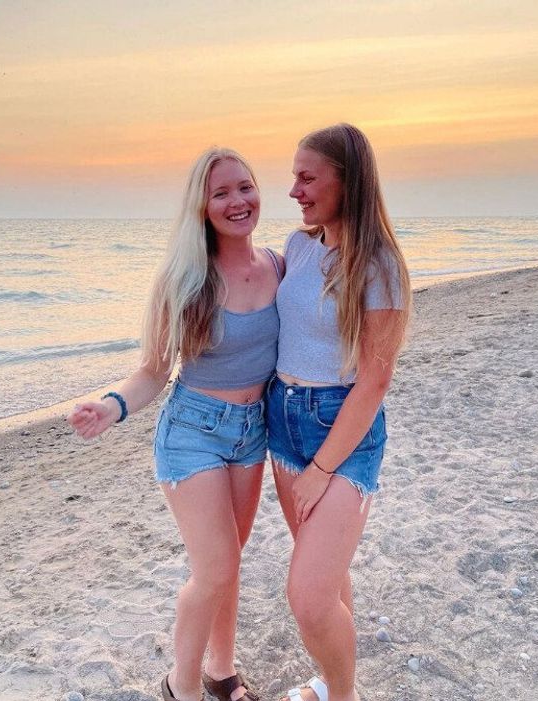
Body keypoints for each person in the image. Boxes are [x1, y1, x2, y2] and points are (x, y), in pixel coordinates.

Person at [67, 148, 280, 701]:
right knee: (214, 568)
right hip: (193, 431)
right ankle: (180, 686)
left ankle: (222, 671)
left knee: (228, 566)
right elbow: (153, 370)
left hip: (252, 432)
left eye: (245, 187)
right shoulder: (185, 279)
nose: (238, 201)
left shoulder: (280, 267)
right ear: (202, 208)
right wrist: (111, 406)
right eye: (221, 193)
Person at [268, 123, 410, 701]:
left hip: (342, 431)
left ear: (346, 181)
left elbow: (375, 379)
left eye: (307, 177)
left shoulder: (381, 267)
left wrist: (323, 469)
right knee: (326, 576)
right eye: (293, 177)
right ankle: (331, 685)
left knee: (307, 594)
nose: (295, 190)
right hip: (283, 420)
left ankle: (344, 695)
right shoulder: (299, 246)